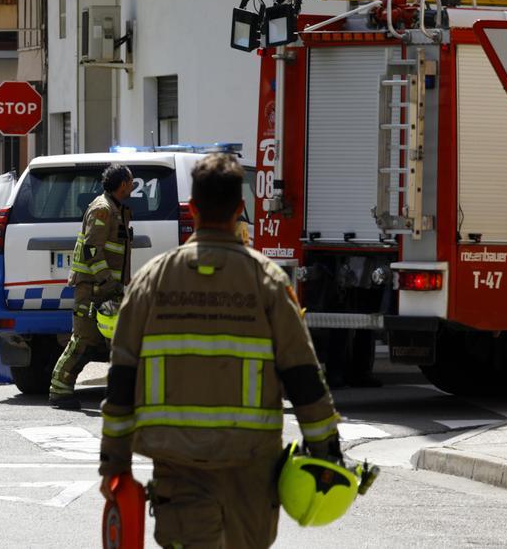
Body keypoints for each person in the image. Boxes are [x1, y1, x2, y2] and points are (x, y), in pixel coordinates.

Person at [99, 154, 342, 548]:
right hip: (252, 471)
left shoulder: (151, 282)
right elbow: (303, 377)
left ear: (192, 208)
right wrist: (327, 452)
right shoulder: (268, 283)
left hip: (178, 471)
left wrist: (115, 466)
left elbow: (121, 381)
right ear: (240, 209)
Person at [48, 163, 134, 410]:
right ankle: (59, 392)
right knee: (83, 340)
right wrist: (107, 281)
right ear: (121, 184)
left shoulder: (117, 209)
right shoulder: (102, 210)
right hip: (93, 287)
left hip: (107, 287)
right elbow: (91, 250)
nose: (133, 186)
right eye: (130, 181)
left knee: (111, 342)